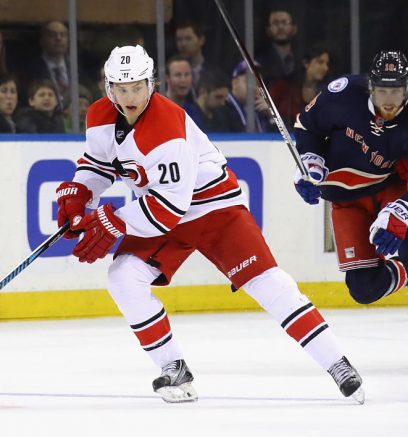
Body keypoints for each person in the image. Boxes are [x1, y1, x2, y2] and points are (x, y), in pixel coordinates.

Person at [55, 44, 364, 404]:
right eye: (121, 89)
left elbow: (167, 210)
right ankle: (173, 369)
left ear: (151, 83)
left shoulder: (167, 128)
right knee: (123, 276)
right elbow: (99, 164)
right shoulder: (100, 116)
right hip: (164, 210)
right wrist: (80, 193)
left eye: (137, 87)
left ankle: (336, 362)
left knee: (269, 284)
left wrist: (112, 221)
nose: (130, 97)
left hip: (215, 209)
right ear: (109, 88)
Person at [293, 50, 408, 307]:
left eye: (396, 92)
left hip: (391, 189)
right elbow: (307, 128)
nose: (389, 101)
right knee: (363, 289)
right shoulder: (343, 94)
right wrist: (311, 162)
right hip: (348, 203)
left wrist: (402, 210)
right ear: (370, 87)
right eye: (382, 92)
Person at [270, 44, 331, 129]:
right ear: (306, 63)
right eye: (320, 62)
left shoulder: (328, 92)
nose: (325, 68)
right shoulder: (284, 87)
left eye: (327, 64)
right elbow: (270, 111)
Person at [26, 21, 71, 108]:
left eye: (63, 35)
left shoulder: (77, 67)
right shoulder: (30, 70)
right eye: (52, 35)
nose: (58, 38)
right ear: (42, 40)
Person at [225, 60, 276, 133]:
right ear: (235, 83)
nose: (254, 87)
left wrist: (272, 117)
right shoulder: (223, 108)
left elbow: (282, 140)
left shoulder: (261, 111)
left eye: (258, 84)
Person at [174, 21, 222, 94]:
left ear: (201, 40)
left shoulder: (215, 73)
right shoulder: (169, 72)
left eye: (188, 39)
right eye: (179, 40)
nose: (183, 44)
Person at [256, 8, 299, 86]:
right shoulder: (259, 61)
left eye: (285, 22)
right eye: (275, 23)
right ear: (268, 30)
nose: (280, 27)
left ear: (294, 28)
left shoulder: (301, 59)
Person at [164, 55, 200, 125]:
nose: (183, 80)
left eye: (187, 74)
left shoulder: (194, 109)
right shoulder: (157, 108)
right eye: (178, 75)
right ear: (167, 78)